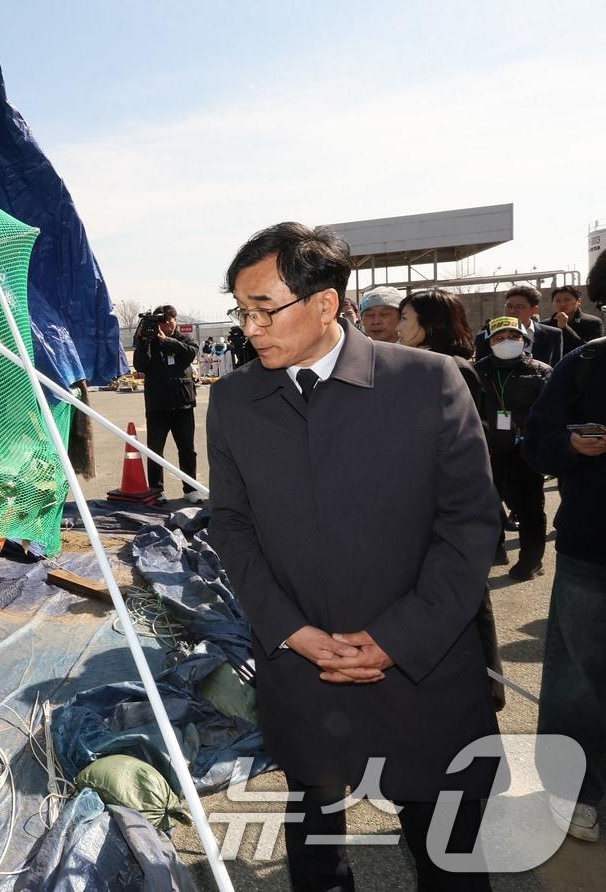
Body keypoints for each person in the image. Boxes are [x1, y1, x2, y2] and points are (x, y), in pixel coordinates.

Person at [209, 222, 500, 891]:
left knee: (449, 855)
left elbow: (468, 527)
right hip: (302, 676)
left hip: (421, 676)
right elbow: (232, 527)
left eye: (263, 308)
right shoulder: (234, 402)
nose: (250, 327)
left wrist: (397, 639)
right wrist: (291, 632)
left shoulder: (430, 383)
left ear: (323, 302)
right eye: (242, 310)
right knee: (316, 852)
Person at [522, 254, 606, 844]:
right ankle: (576, 791)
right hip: (591, 551)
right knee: (580, 677)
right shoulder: (582, 366)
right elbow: (536, 445)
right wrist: (573, 446)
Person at [398, 289, 506, 706]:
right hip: (426, 506)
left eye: (406, 317)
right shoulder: (414, 364)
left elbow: (467, 443)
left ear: (430, 321)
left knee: (468, 598)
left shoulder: (450, 368)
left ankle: (488, 688)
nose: (400, 325)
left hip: (450, 509)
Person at [474, 317, 552, 581]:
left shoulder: (541, 371)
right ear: (489, 342)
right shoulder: (479, 370)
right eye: (498, 337)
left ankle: (531, 561)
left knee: (530, 507)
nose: (506, 341)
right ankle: (495, 551)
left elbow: (551, 411)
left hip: (525, 450)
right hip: (490, 449)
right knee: (488, 504)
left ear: (524, 340)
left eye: (512, 336)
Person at [131, 305, 201, 504]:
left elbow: (189, 353)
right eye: (161, 323)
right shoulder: (148, 341)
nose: (166, 326)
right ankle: (156, 490)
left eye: (169, 322)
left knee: (187, 449)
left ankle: (191, 488)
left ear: (175, 320)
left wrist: (166, 340)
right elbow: (140, 365)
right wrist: (145, 342)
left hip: (183, 404)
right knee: (155, 449)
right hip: (157, 405)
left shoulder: (184, 339)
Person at [476, 285, 564, 366]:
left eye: (519, 307)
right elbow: (480, 371)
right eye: (509, 306)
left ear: (534, 310)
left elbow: (556, 370)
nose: (512, 311)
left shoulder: (553, 335)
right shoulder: (485, 335)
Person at [546, 284, 604, 353]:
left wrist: (565, 328)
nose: (562, 304)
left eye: (567, 300)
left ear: (578, 301)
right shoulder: (544, 325)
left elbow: (590, 349)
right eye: (557, 301)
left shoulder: (593, 322)